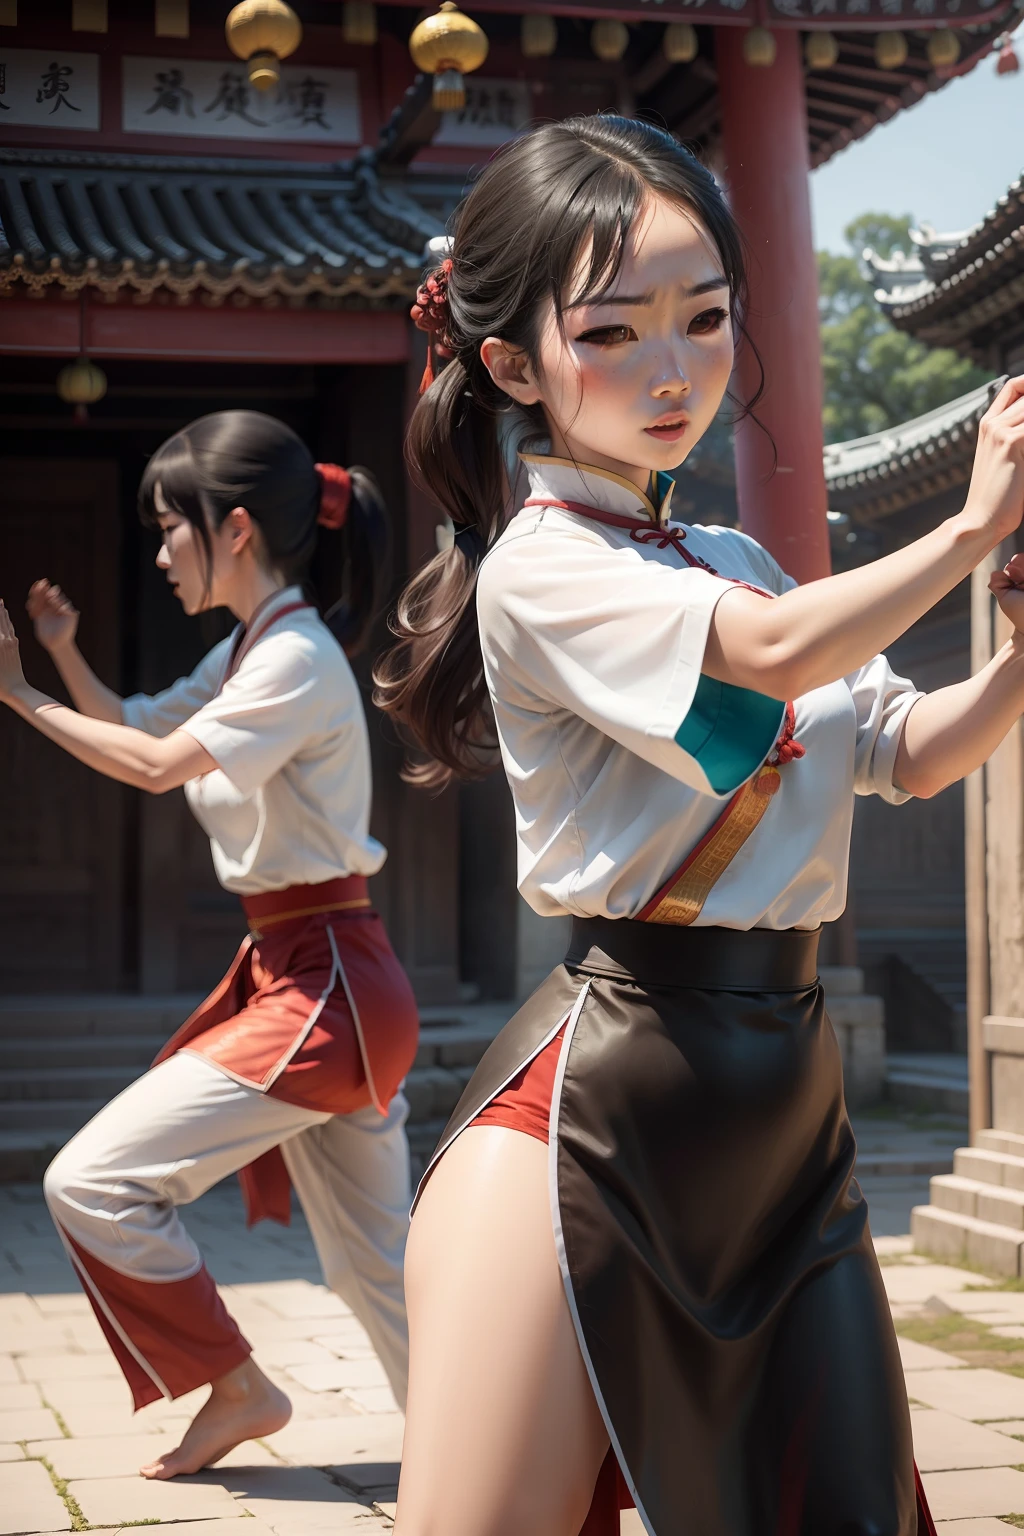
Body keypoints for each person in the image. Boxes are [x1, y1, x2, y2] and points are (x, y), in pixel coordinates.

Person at [372, 115, 1024, 1536]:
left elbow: (905, 750)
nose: (674, 373)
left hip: (788, 1113)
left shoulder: (722, 554)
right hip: (597, 1107)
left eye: (708, 319)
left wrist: (1019, 657)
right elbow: (779, 658)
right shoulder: (540, 570)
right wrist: (968, 533)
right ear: (509, 365)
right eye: (613, 333)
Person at [0, 411, 419, 1481]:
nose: (157, 552)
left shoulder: (291, 658)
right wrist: (61, 659)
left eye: (167, 529)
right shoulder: (254, 649)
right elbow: (142, 731)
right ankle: (497, 1450)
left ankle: (240, 1387)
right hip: (321, 981)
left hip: (323, 986)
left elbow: (154, 769)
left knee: (90, 1182)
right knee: (381, 1271)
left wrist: (19, 694)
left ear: (232, 529)